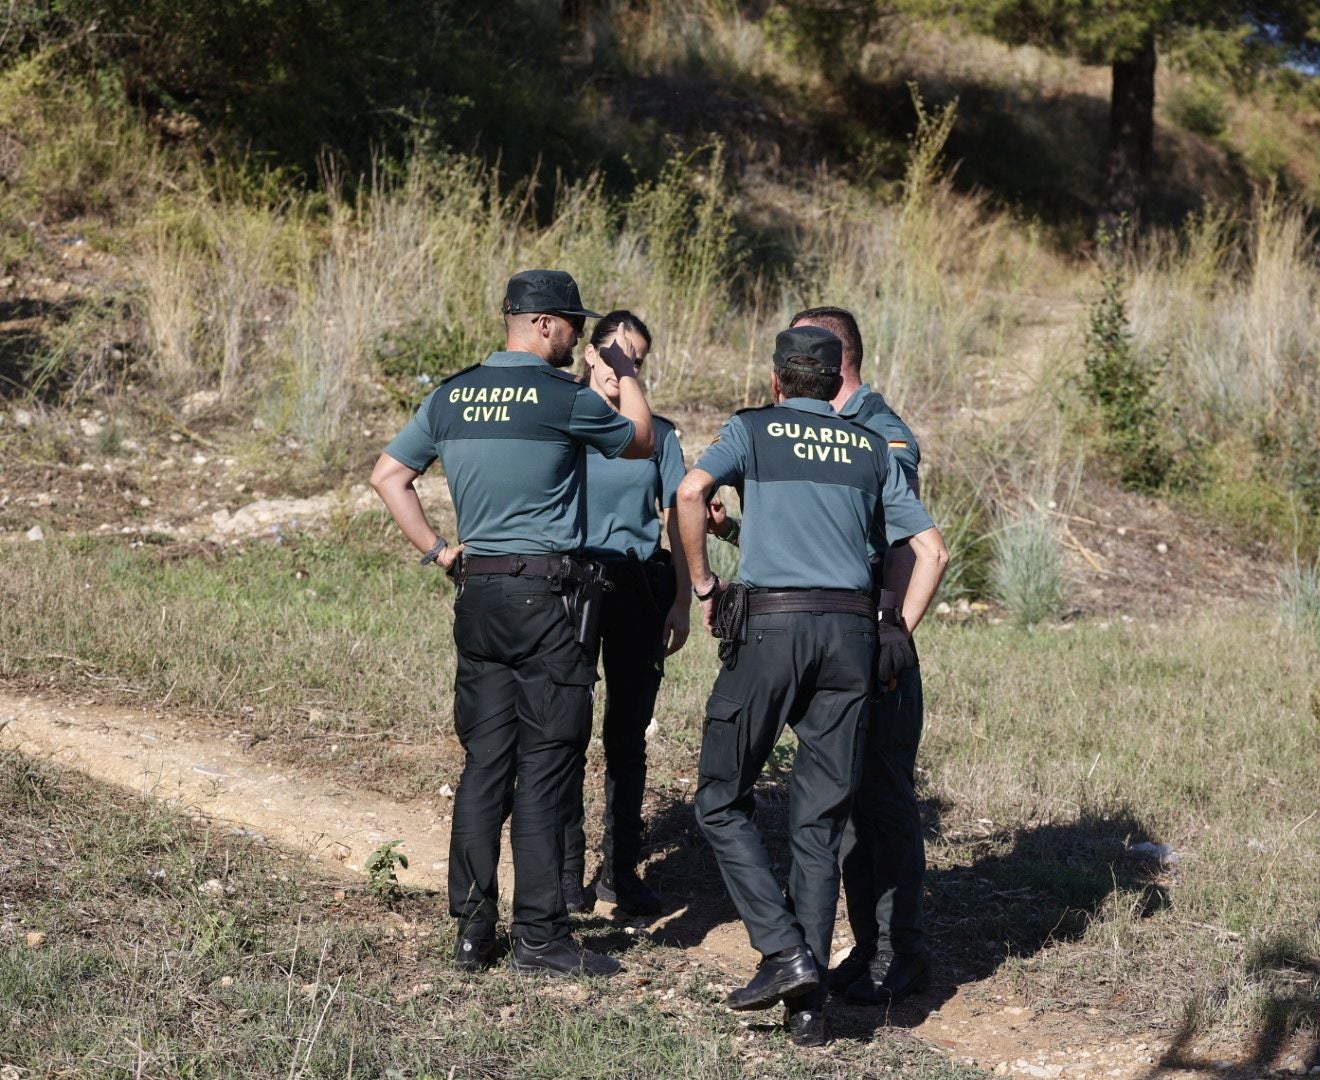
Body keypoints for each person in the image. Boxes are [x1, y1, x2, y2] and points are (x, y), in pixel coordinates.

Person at [370, 269, 653, 980]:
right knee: (548, 764)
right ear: (545, 324)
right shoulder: (561, 398)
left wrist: (439, 550)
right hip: (549, 600)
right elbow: (641, 442)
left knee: (485, 765)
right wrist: (623, 371)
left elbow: (387, 478)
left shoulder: (453, 393)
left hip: (479, 594)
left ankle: (472, 932)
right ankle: (540, 939)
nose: (577, 340)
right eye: (574, 327)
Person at [674, 325, 948, 1046]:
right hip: (852, 638)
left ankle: (784, 949)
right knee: (821, 824)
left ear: (776, 382)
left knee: (720, 797)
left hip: (770, 633)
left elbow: (690, 489)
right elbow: (931, 550)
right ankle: (808, 1009)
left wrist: (704, 584)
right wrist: (900, 629)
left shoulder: (751, 430)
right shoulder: (867, 447)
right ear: (836, 384)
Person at [559, 310, 690, 917]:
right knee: (565, 730)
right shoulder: (564, 421)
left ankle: (621, 869)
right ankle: (564, 873)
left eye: (633, 360)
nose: (619, 369)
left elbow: (680, 518)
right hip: (574, 584)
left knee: (627, 735)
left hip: (640, 586)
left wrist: (685, 599)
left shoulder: (659, 435)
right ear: (589, 354)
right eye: (613, 354)